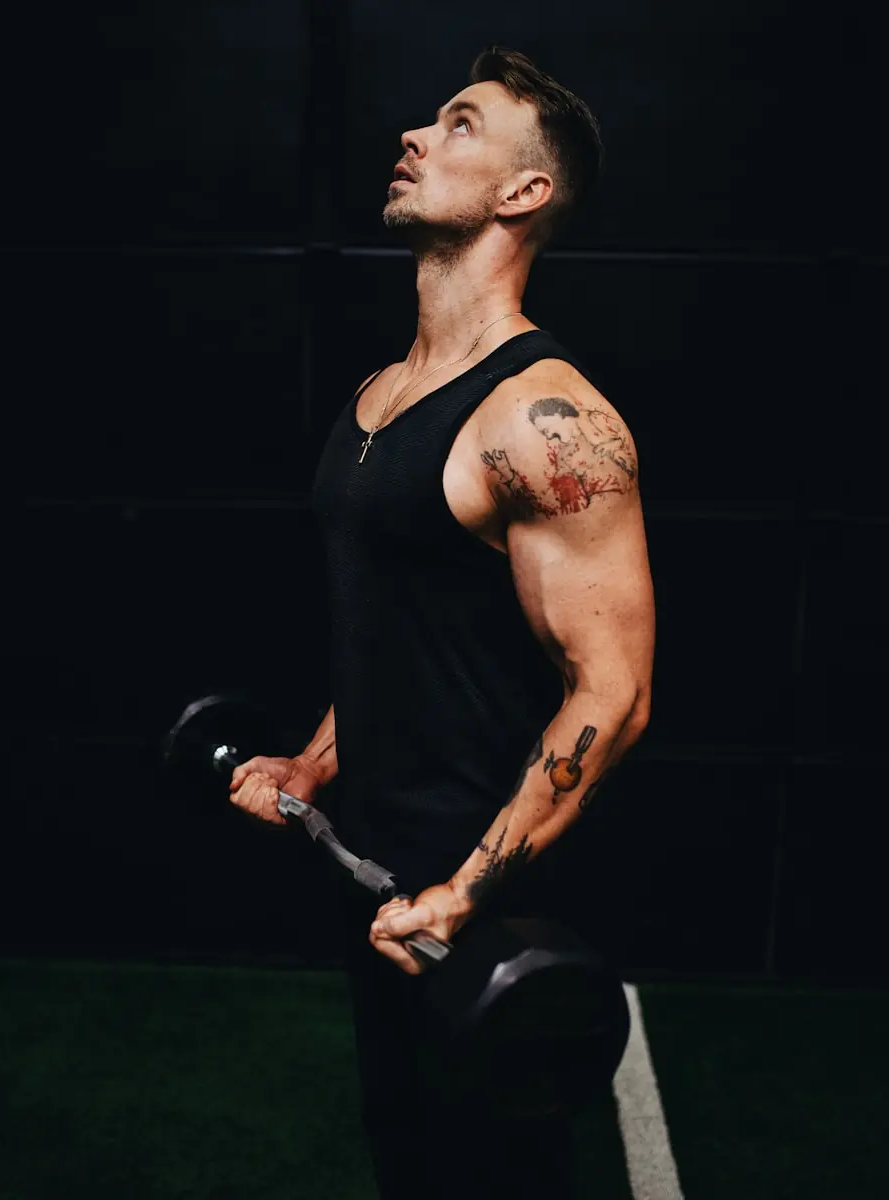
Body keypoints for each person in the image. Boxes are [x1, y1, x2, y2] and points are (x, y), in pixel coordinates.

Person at [229, 43, 656, 1199]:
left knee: (498, 1173)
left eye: (460, 123)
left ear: (526, 190)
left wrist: (468, 890)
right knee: (406, 1153)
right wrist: (312, 763)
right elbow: (394, 629)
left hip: (490, 894)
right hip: (374, 873)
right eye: (430, 118)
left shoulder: (545, 422)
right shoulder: (378, 399)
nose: (416, 136)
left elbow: (612, 693)